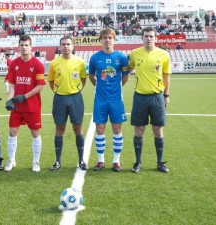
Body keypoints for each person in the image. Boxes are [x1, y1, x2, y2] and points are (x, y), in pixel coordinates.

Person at [129, 26, 171, 173]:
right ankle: (138, 162)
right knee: (139, 129)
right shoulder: (135, 54)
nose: (148, 38)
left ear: (156, 38)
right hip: (140, 96)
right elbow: (127, 69)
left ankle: (160, 163)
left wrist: (166, 95)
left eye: (151, 36)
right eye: (146, 36)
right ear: (142, 38)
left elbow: (166, 75)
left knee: (158, 129)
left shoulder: (164, 55)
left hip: (157, 97)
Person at [89, 28, 130, 172]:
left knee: (117, 129)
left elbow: (125, 76)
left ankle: (116, 161)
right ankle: (100, 161)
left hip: (116, 100)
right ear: (101, 40)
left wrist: (115, 88)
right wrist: (100, 87)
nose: (107, 40)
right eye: (105, 37)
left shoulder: (121, 57)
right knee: (100, 129)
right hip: (100, 100)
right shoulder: (94, 58)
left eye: (110, 37)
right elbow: (91, 76)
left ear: (114, 39)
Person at [4, 34, 46, 172]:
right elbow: (12, 83)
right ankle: (11, 161)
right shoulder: (14, 64)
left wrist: (25, 96)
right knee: (12, 131)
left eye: (26, 45)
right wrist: (10, 98)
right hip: (17, 106)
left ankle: (36, 162)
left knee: (35, 133)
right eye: (21, 45)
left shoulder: (38, 65)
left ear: (31, 47)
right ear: (18, 46)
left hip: (32, 106)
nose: (24, 47)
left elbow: (40, 85)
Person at [48, 36, 88, 171]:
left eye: (68, 44)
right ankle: (58, 161)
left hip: (75, 98)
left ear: (72, 47)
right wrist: (59, 91)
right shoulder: (54, 63)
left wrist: (75, 91)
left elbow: (83, 80)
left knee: (78, 128)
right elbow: (51, 81)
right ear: (60, 47)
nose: (66, 46)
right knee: (60, 129)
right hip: (60, 99)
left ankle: (81, 160)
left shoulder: (80, 62)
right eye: (63, 44)